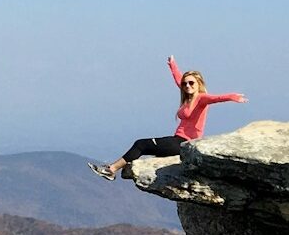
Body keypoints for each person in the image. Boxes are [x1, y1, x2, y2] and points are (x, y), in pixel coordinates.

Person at [91, 56, 246, 180]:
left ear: (199, 84)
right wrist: (172, 65)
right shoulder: (188, 97)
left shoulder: (201, 98)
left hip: (183, 143)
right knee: (144, 146)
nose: (187, 86)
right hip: (176, 140)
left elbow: (216, 98)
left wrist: (232, 97)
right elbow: (179, 79)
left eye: (191, 83)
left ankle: (111, 170)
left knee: (141, 144)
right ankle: (114, 169)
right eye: (186, 84)